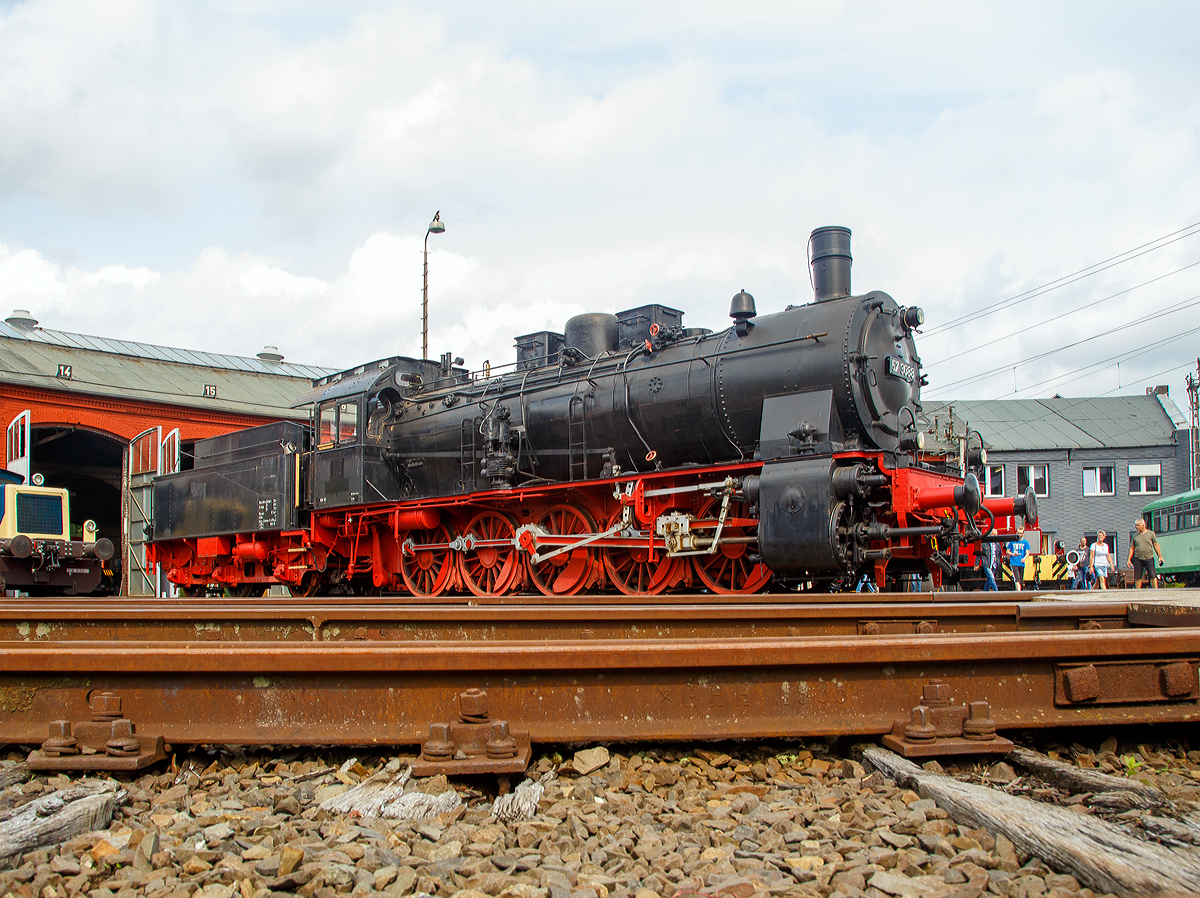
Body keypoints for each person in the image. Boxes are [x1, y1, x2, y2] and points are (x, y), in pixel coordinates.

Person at [1127, 517, 1165, 589]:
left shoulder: (1150, 534)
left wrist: (1160, 556)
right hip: (1138, 558)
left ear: (1143, 525)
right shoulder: (1134, 536)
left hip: (1149, 558)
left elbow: (1155, 545)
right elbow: (1132, 548)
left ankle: (1155, 590)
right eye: (1136, 525)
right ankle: (1137, 591)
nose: (1136, 527)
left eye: (1138, 525)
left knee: (1152, 575)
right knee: (1137, 577)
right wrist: (1129, 559)